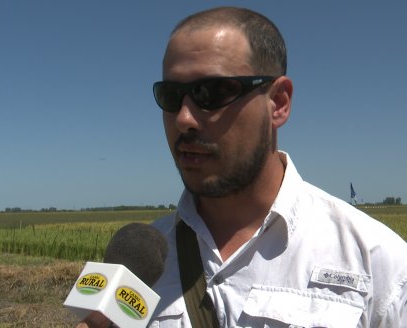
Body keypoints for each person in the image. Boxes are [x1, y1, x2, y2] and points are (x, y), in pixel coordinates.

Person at [79, 6, 407, 327]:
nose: (183, 119)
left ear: (278, 103)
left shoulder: (378, 263)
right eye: (171, 96)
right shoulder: (141, 263)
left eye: (211, 92)